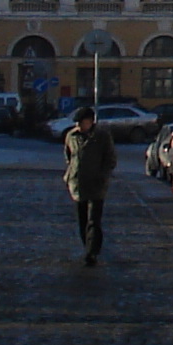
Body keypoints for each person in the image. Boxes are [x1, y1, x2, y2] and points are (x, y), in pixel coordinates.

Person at [61, 105, 114, 264]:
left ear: (91, 122)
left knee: (94, 220)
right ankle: (88, 246)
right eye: (77, 122)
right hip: (78, 183)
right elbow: (68, 156)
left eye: (82, 122)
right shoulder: (72, 136)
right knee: (82, 219)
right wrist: (71, 173)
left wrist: (103, 175)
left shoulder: (102, 137)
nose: (79, 125)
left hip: (97, 183)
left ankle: (92, 252)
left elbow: (110, 159)